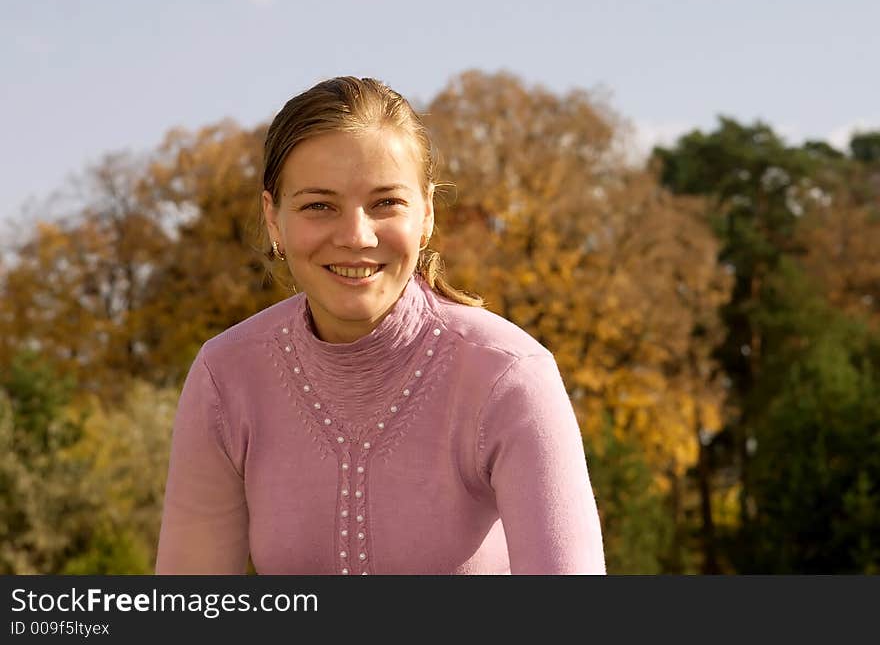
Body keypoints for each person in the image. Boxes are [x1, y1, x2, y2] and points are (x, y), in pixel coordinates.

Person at [155, 76, 605, 575]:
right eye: (319, 206)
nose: (355, 236)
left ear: (427, 212)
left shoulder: (511, 376)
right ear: (274, 218)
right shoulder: (225, 377)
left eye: (385, 203)